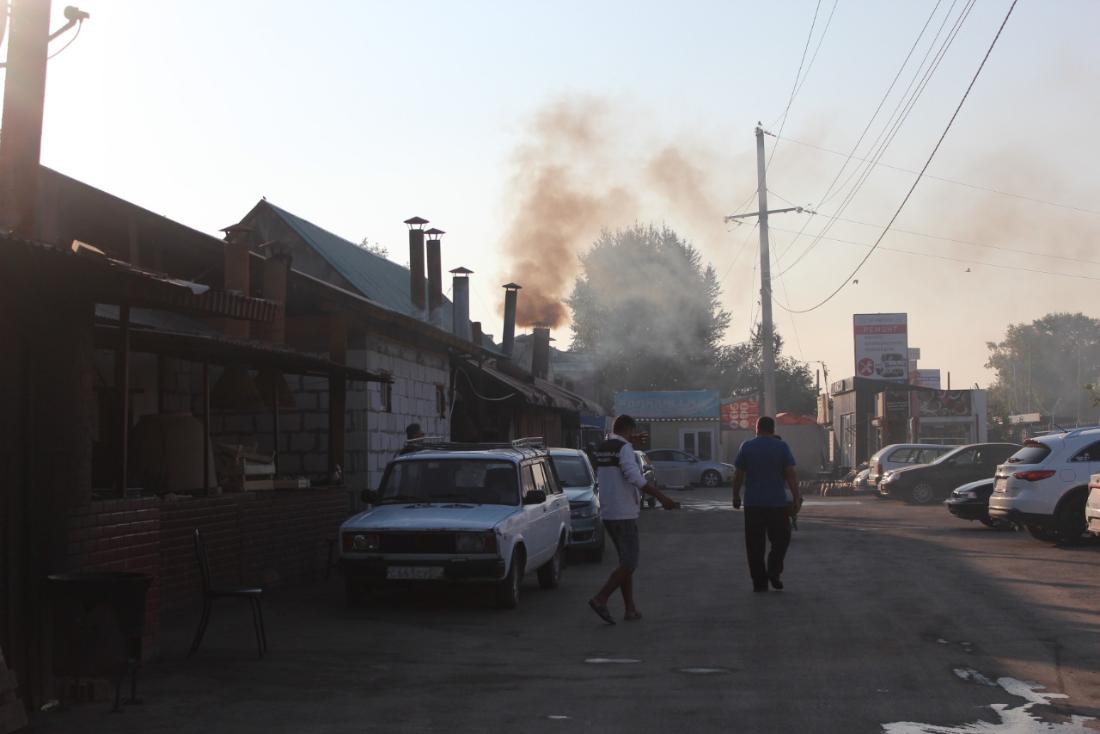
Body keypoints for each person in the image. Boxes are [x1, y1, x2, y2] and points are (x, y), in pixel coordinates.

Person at [588, 415, 680, 625]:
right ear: (628, 429)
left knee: (624, 562)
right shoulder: (624, 448)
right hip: (624, 513)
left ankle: (630, 609)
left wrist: (630, 444)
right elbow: (634, 477)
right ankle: (601, 598)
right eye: (632, 432)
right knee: (630, 563)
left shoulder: (604, 446)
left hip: (609, 511)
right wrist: (662, 497)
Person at [732, 416, 802, 592]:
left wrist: (735, 496)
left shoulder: (746, 447)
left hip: (753, 504)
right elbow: (790, 474)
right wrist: (796, 497)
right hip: (777, 503)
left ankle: (759, 583)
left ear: (757, 428)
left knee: (754, 545)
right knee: (781, 540)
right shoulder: (782, 446)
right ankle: (773, 570)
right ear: (773, 429)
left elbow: (738, 475)